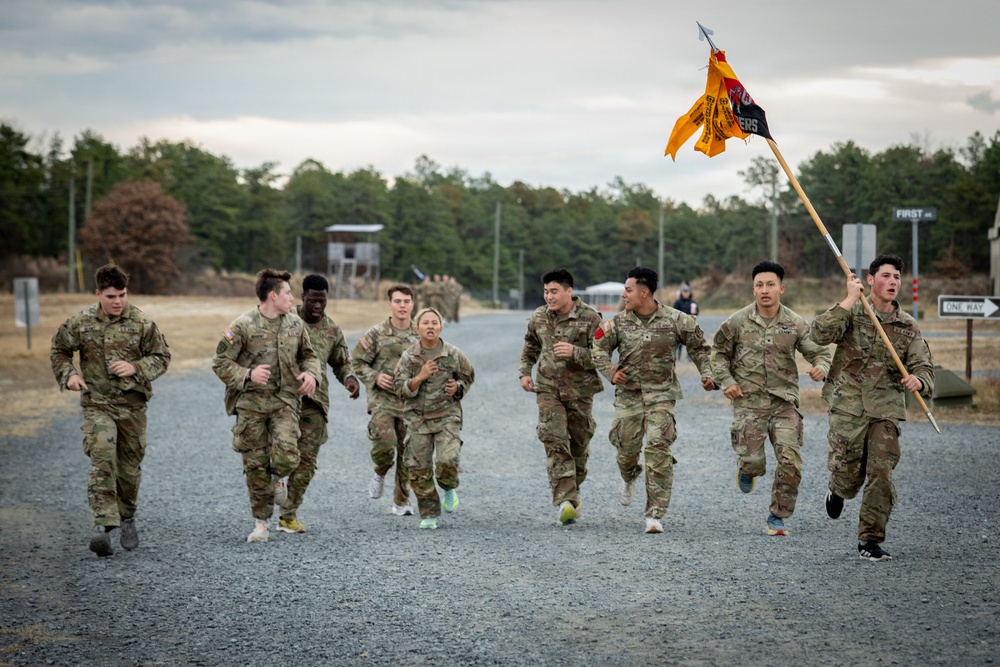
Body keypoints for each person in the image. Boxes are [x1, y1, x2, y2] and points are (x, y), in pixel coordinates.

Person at [811, 254, 934, 562]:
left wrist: (920, 379)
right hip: (849, 406)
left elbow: (923, 364)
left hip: (886, 408)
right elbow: (818, 334)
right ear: (870, 280)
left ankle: (870, 540)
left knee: (881, 471)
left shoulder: (907, 326)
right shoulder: (853, 312)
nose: (893, 282)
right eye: (886, 276)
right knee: (850, 473)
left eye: (897, 277)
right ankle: (838, 489)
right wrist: (849, 299)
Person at [50, 263, 171, 557]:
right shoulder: (81, 323)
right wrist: (70, 376)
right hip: (97, 404)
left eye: (122, 295)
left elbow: (162, 357)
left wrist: (136, 367)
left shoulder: (142, 323)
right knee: (102, 457)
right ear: (98, 294)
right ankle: (103, 527)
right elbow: (59, 350)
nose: (117, 301)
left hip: (131, 407)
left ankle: (127, 518)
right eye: (111, 296)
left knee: (128, 470)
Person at [711, 260, 832, 536]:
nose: (765, 290)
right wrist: (726, 381)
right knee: (755, 462)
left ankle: (777, 516)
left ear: (781, 288)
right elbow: (716, 354)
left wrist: (821, 367)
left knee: (791, 460)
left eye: (770, 284)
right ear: (753, 289)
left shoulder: (795, 323)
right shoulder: (737, 321)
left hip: (783, 402)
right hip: (748, 402)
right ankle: (747, 469)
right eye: (759, 285)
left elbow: (820, 352)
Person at [591, 266, 715, 534]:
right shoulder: (618, 323)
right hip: (629, 397)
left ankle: (654, 513)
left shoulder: (676, 320)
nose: (624, 294)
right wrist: (611, 371)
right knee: (626, 451)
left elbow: (700, 348)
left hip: (662, 395)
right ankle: (628, 476)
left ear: (644, 292)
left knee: (658, 448)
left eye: (628, 289)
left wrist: (707, 373)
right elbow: (597, 348)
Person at [212, 268, 322, 544]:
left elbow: (309, 356)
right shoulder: (243, 325)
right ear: (273, 296)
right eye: (287, 292)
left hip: (285, 401)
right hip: (251, 405)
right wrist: (247, 375)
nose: (292, 297)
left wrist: (311, 375)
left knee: (286, 455)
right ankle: (261, 524)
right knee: (254, 464)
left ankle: (279, 477)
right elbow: (220, 362)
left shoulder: (295, 324)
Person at [276, 274, 361, 534]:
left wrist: (349, 378)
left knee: (307, 462)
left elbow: (341, 361)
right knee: (283, 454)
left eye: (322, 301)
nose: (317, 306)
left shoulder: (332, 330)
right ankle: (274, 478)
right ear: (302, 298)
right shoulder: (285, 322)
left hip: (315, 404)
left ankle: (288, 515)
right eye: (313, 300)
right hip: (283, 400)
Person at [519, 268, 603, 525]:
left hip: (580, 392)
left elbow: (602, 357)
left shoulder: (591, 318)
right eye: (546, 291)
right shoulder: (539, 317)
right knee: (554, 438)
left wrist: (575, 352)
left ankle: (572, 493)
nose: (549, 296)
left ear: (569, 291)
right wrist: (524, 373)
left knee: (578, 446)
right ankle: (565, 501)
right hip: (548, 389)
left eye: (554, 291)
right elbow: (530, 347)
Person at [393, 307, 475, 530]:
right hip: (417, 420)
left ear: (440, 327)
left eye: (434, 323)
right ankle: (429, 513)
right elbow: (399, 388)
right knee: (418, 469)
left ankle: (448, 487)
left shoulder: (453, 354)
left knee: (447, 460)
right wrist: (420, 377)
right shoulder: (409, 356)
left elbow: (468, 376)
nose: (430, 326)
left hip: (447, 417)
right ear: (417, 328)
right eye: (425, 323)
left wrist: (457, 387)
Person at [352, 285, 420, 515]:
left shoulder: (420, 335)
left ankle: (401, 502)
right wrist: (375, 376)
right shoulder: (376, 333)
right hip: (383, 400)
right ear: (389, 304)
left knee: (408, 452)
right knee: (385, 443)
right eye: (398, 301)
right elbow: (357, 361)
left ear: (413, 304)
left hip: (410, 401)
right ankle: (380, 472)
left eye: (406, 301)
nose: (402, 306)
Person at [672, 284, 697, 360]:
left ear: (689, 292)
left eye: (687, 292)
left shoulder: (692, 302)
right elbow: (673, 311)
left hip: (690, 324)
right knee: (679, 342)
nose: (686, 293)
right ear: (682, 292)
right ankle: (678, 356)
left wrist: (695, 312)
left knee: (690, 342)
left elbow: (697, 312)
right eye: (684, 291)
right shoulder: (678, 302)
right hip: (680, 325)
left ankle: (689, 357)